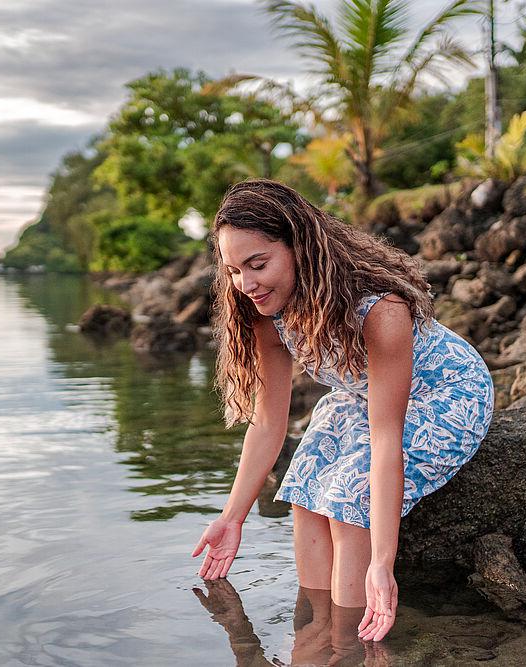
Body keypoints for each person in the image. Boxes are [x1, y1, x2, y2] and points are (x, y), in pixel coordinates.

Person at [190, 178, 494, 643]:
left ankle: (350, 639)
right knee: (304, 481)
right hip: (358, 396)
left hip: (447, 394)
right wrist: (233, 517)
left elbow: (386, 437)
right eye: (233, 270)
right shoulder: (263, 311)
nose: (245, 284)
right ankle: (314, 634)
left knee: (349, 497)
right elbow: (269, 424)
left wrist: (382, 563)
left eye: (257, 264)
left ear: (300, 247)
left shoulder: (379, 307)